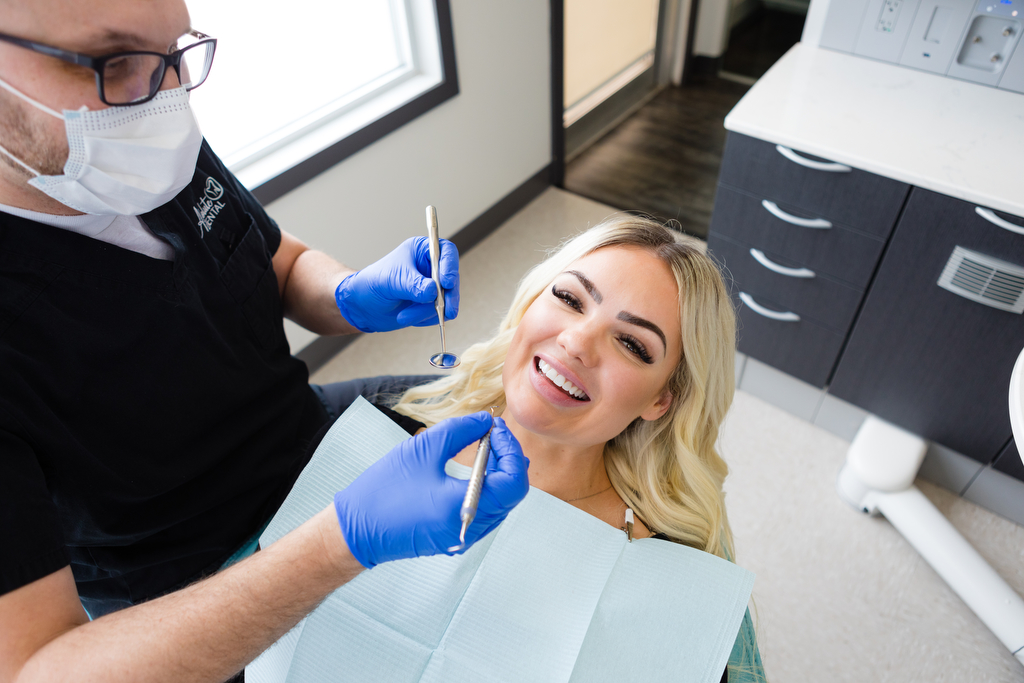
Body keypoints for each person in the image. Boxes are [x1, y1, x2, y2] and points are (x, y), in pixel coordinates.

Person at [0, 2, 529, 682]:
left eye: (174, 57)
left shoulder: (142, 145)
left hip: (303, 429)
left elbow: (272, 258)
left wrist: (346, 291)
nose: (164, 99)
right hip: (189, 577)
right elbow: (39, 668)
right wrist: (340, 540)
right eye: (115, 62)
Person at [383, 215, 765, 681]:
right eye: (569, 298)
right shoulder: (394, 421)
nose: (576, 341)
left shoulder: (671, 571)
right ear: (531, 301)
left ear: (661, 400)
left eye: (631, 343)